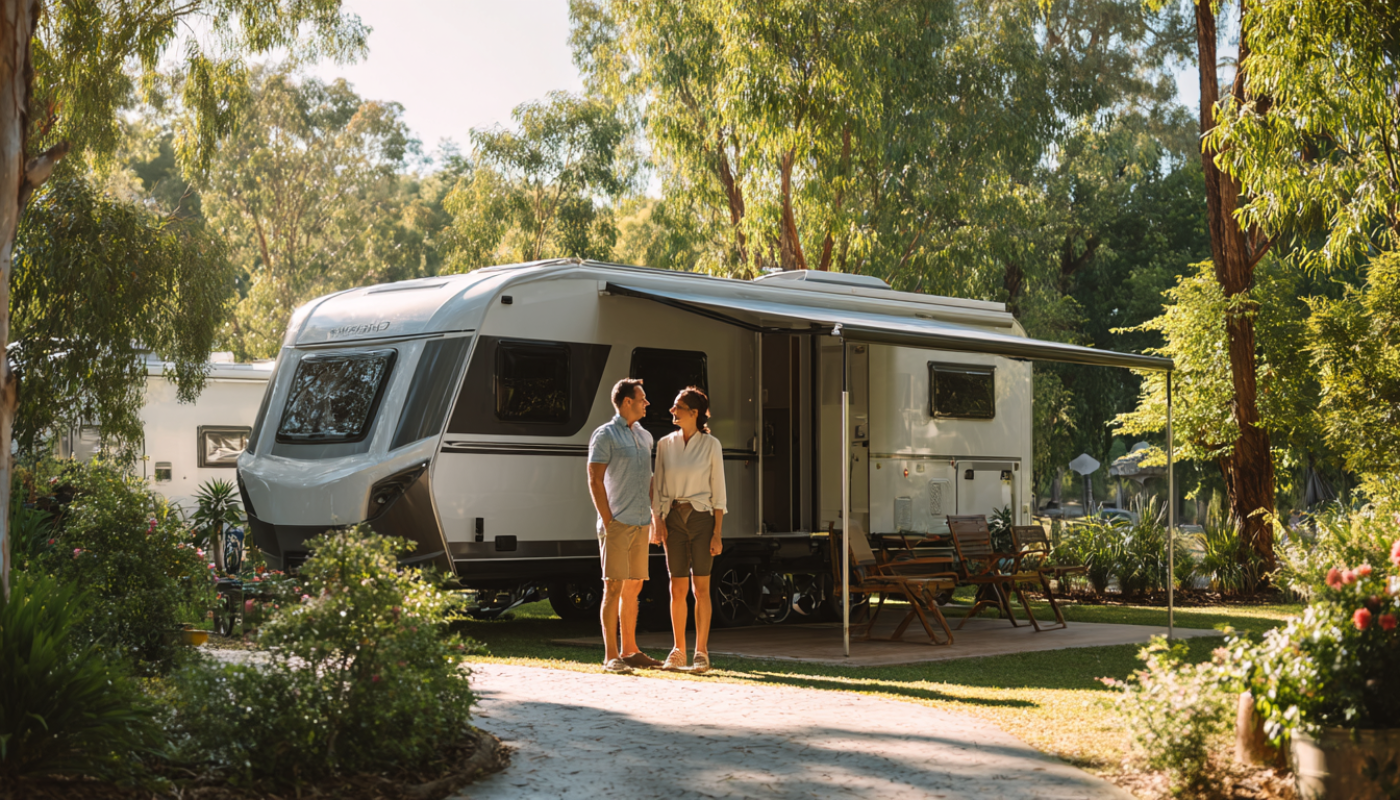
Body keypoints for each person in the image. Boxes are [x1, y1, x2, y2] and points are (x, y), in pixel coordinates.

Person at [587, 378, 664, 674]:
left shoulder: (645, 436)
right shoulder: (604, 434)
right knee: (613, 587)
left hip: (642, 522)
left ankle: (630, 650)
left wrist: (655, 519)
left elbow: (650, 481)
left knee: (634, 587)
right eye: (642, 398)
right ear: (627, 401)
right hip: (617, 524)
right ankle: (611, 656)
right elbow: (594, 479)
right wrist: (608, 520)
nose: (647, 403)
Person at [652, 386, 726, 673]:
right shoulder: (664, 444)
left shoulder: (711, 445)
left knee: (701, 588)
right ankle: (678, 650)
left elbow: (719, 491)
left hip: (702, 519)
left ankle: (701, 652)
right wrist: (658, 520)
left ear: (694, 413)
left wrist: (718, 532)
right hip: (673, 519)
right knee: (677, 587)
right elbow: (658, 487)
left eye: (677, 407)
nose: (672, 411)